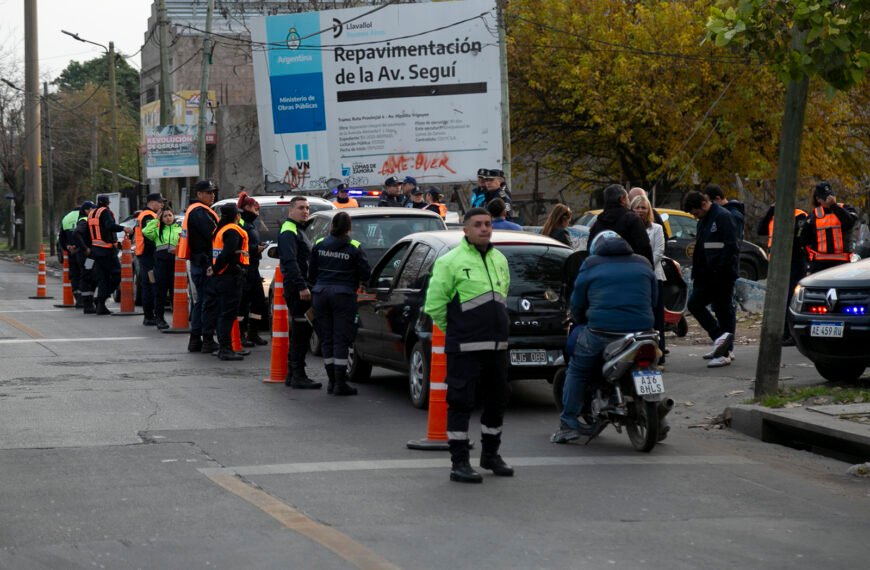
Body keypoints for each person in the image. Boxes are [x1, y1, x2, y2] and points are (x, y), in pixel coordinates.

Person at [424, 207, 514, 483]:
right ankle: (459, 462)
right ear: (465, 229)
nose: (484, 229)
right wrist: (459, 329)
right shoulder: (450, 261)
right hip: (464, 348)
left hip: (497, 347)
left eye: (487, 224)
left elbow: (503, 295)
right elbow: (435, 305)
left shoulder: (499, 259)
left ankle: (490, 456)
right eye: (478, 225)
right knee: (461, 403)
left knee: (496, 403)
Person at [551, 230, 657, 444]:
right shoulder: (643, 262)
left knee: (578, 370)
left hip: (602, 333)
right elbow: (653, 298)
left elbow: (578, 300)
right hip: (643, 332)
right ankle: (658, 418)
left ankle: (568, 425)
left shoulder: (591, 264)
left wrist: (579, 318)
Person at [309, 211, 372, 396]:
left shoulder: (319, 245)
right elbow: (365, 274)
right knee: (341, 339)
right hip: (343, 296)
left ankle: (331, 381)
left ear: (331, 226)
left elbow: (311, 274)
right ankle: (340, 383)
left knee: (326, 339)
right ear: (349, 228)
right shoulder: (354, 246)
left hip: (320, 294)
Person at [684, 191, 738, 368]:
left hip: (720, 275)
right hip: (705, 275)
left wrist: (719, 270)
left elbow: (730, 246)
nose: (695, 216)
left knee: (722, 310)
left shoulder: (722, 217)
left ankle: (725, 350)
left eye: (696, 212)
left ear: (704, 204)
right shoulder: (704, 220)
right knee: (696, 305)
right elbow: (702, 247)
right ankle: (721, 344)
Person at [279, 196, 321, 389]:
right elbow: (290, 262)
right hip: (299, 290)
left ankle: (293, 373)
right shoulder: (289, 231)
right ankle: (298, 374)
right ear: (291, 211)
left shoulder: (298, 230)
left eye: (307, 208)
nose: (305, 211)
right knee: (301, 332)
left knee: (300, 331)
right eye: (301, 208)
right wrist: (302, 286)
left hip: (302, 287)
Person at [177, 180, 220, 354]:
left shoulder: (197, 211)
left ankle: (196, 340)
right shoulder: (199, 212)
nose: (212, 195)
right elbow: (213, 236)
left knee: (201, 301)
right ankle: (207, 339)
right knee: (207, 302)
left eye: (213, 192)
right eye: (208, 192)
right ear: (199, 194)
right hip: (204, 262)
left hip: (199, 261)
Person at [757, 204, 808, 346]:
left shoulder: (799, 215)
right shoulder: (773, 215)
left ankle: (790, 334)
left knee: (790, 298)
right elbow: (761, 230)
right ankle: (782, 332)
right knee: (779, 299)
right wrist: (769, 212)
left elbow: (800, 238)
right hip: (777, 263)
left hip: (795, 261)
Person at [211, 204, 249, 361]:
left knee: (223, 313)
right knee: (227, 314)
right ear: (236, 216)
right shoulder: (232, 230)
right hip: (230, 276)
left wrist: (215, 269)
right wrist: (218, 268)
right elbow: (227, 254)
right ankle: (225, 349)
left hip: (222, 276)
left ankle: (224, 347)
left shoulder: (221, 229)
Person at [631, 195, 667, 359]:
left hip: (654, 276)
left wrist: (643, 267)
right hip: (634, 278)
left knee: (656, 318)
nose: (640, 211)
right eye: (637, 207)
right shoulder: (628, 228)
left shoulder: (657, 228)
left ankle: (659, 354)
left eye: (643, 207)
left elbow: (658, 252)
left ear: (649, 210)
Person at [87, 194, 133, 315]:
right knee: (117, 274)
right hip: (106, 250)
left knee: (103, 278)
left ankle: (100, 306)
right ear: (108, 203)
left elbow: (96, 231)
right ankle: (101, 299)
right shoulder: (105, 212)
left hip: (96, 249)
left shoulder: (92, 213)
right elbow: (109, 226)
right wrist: (124, 229)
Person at [588, 184, 653, 264]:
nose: (629, 201)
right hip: (630, 271)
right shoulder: (632, 219)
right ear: (622, 200)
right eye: (628, 198)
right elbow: (644, 249)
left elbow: (590, 249)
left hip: (602, 271)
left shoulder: (597, 223)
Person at [801, 181, 856, 275]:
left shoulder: (845, 208)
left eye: (830, 195)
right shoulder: (813, 216)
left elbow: (849, 222)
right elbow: (804, 240)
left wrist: (834, 206)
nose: (829, 199)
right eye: (825, 197)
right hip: (820, 266)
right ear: (818, 199)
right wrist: (809, 263)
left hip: (842, 265)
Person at [237, 192, 268, 347]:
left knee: (258, 302)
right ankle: (240, 334)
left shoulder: (250, 223)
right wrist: (255, 249)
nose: (258, 211)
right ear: (248, 207)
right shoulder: (241, 222)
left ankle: (253, 332)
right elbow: (238, 244)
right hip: (244, 269)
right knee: (242, 304)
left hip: (253, 269)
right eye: (256, 207)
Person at [143, 205, 180, 330]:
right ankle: (160, 318)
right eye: (165, 216)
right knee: (160, 292)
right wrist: (156, 219)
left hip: (176, 264)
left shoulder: (179, 229)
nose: (168, 218)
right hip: (161, 264)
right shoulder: (158, 230)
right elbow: (145, 231)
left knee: (176, 291)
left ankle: (179, 318)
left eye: (170, 215)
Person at [136, 192, 165, 326]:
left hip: (145, 254)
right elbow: (149, 236)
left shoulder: (145, 214)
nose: (162, 205)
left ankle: (149, 315)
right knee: (150, 284)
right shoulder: (148, 216)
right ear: (152, 202)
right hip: (148, 255)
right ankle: (149, 315)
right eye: (160, 202)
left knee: (149, 283)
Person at [58, 200, 85, 307]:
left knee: (74, 275)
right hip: (83, 252)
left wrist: (68, 247)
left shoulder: (66, 217)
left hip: (71, 253)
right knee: (85, 273)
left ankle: (78, 298)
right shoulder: (85, 217)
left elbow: (61, 237)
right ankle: (85, 298)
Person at [72, 201, 97, 313]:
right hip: (86, 256)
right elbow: (76, 233)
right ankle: (87, 304)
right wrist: (85, 248)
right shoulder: (84, 220)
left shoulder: (84, 219)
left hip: (85, 255)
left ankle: (87, 302)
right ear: (87, 210)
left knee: (89, 275)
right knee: (87, 276)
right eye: (92, 209)